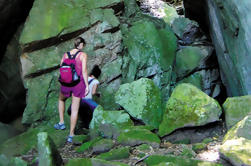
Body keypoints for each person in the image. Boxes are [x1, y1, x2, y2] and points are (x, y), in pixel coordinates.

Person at [54, 37, 89, 143]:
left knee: (61, 100)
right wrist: (87, 85)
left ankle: (61, 122)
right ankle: (71, 135)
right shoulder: (83, 55)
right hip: (77, 84)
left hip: (66, 83)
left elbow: (61, 67)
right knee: (75, 109)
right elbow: (84, 71)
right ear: (81, 45)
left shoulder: (65, 54)